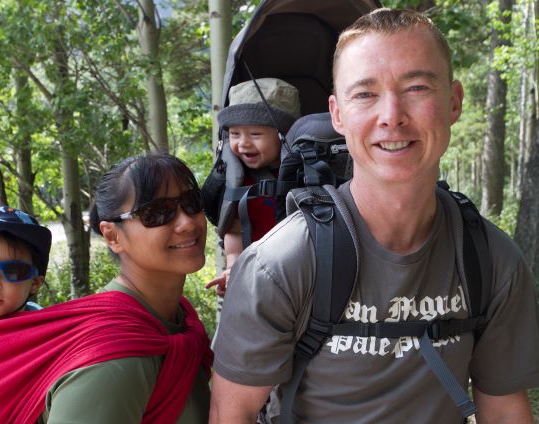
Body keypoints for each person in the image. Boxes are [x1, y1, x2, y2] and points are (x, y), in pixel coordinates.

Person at [209, 8, 539, 423]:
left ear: (453, 102)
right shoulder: (279, 265)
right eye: (365, 94)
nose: (392, 116)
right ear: (338, 114)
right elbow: (229, 414)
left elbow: (505, 408)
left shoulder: (492, 259)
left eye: (417, 87)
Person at [0, 154, 213, 423]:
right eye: (157, 213)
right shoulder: (113, 357)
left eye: (192, 203)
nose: (188, 223)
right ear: (112, 236)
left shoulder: (176, 318)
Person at [206, 77, 301, 296]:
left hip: (299, 273)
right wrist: (232, 269)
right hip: (255, 276)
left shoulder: (305, 175)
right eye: (234, 134)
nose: (243, 143)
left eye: (255, 134)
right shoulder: (238, 181)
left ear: (283, 135)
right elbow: (235, 232)